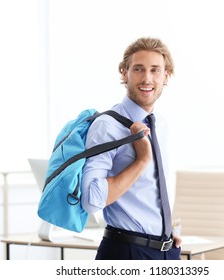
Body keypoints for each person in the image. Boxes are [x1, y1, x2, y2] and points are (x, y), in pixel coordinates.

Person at [81, 37, 181, 260]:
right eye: (138, 69)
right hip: (126, 252)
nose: (147, 78)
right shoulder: (107, 126)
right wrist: (141, 160)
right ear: (124, 73)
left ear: (166, 76)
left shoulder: (161, 124)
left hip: (165, 251)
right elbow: (91, 200)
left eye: (155, 70)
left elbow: (151, 191)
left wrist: (164, 231)